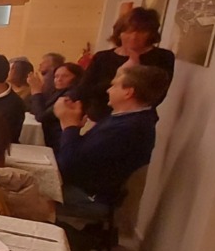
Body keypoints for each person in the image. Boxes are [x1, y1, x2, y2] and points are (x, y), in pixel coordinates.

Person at [55, 65, 169, 207]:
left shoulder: (130, 128)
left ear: (128, 92)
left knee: (26, 189)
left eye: (114, 85)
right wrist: (74, 127)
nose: (108, 90)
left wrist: (68, 124)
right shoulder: (127, 118)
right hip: (83, 185)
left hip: (89, 195)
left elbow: (68, 164)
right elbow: (82, 153)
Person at [75, 6, 176, 121]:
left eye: (142, 31)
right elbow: (84, 90)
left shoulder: (163, 57)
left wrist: (133, 68)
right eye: (128, 31)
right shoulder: (102, 57)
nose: (134, 36)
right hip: (98, 118)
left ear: (151, 34)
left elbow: (156, 95)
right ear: (119, 33)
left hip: (137, 121)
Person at [28, 61, 83, 149]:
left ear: (76, 78)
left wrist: (36, 92)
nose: (59, 79)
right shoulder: (58, 92)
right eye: (56, 76)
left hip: (59, 141)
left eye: (65, 76)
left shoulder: (72, 95)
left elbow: (41, 116)